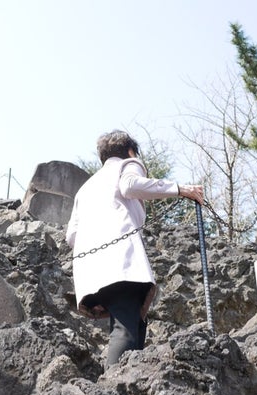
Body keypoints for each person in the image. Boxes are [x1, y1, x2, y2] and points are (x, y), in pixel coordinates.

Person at [66, 130, 203, 368]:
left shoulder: (85, 188)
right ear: (130, 151)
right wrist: (181, 189)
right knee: (126, 329)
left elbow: (71, 236)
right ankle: (111, 391)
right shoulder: (128, 164)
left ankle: (129, 382)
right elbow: (130, 186)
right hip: (120, 262)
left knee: (134, 322)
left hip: (90, 270)